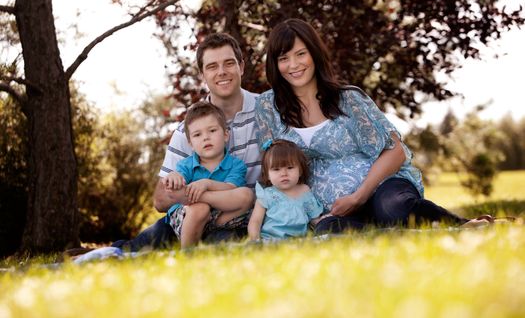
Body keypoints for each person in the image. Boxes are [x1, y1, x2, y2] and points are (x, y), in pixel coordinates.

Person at [255, 18, 489, 233]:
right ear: (275, 64)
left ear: (314, 54)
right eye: (283, 58)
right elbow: (271, 165)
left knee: (393, 207)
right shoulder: (268, 106)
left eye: (300, 54)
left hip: (380, 186)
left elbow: (395, 151)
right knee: (329, 229)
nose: (293, 64)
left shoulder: (348, 99)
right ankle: (389, 232)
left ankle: (463, 226)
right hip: (330, 208)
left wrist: (359, 196)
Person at [112, 33, 262, 251]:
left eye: (229, 63)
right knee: (132, 249)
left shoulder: (266, 111)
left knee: (222, 245)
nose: (221, 72)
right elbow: (161, 201)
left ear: (241, 66)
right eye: (212, 66)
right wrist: (187, 191)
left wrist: (204, 193)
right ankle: (100, 254)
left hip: (237, 219)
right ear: (202, 75)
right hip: (189, 218)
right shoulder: (188, 130)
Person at [164, 101, 248, 248]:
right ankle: (188, 253)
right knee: (200, 208)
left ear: (226, 135)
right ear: (190, 144)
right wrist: (173, 177)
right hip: (189, 217)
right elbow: (177, 179)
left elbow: (231, 189)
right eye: (197, 134)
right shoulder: (186, 165)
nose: (206, 138)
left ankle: (205, 229)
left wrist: (206, 184)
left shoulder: (236, 164)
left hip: (220, 218)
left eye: (212, 131)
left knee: (247, 195)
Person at [247, 139, 323, 240]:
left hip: (300, 241)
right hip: (271, 240)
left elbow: (314, 219)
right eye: (276, 169)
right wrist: (255, 240)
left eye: (290, 167)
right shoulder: (266, 194)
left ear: (300, 170)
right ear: (267, 174)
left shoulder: (304, 191)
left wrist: (323, 222)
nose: (284, 174)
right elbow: (255, 221)